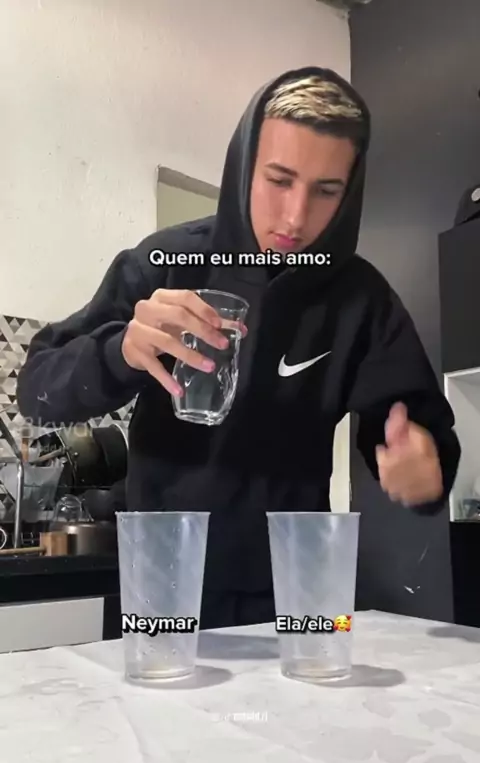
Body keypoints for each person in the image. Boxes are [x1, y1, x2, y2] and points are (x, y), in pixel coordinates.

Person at [17, 66, 461, 629]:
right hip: (161, 582)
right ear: (245, 165)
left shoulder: (361, 297)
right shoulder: (165, 261)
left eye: (326, 191)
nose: (296, 217)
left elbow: (417, 431)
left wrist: (424, 467)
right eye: (279, 180)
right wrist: (120, 350)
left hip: (297, 592)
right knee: (151, 694)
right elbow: (36, 390)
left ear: (350, 193)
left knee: (317, 691)